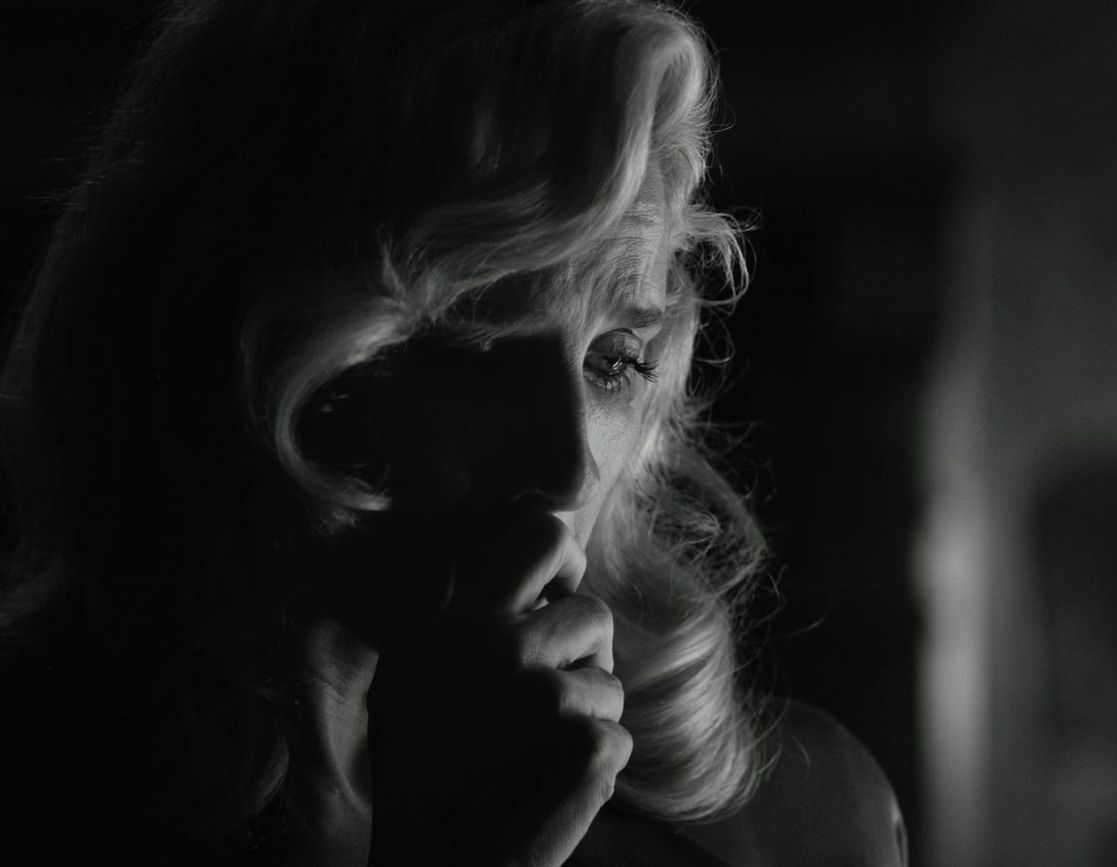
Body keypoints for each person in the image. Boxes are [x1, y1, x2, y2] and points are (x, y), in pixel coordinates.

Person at [0, 1, 906, 864]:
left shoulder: (796, 826)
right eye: (472, 324)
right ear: (239, 329)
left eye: (615, 360)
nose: (563, 465)